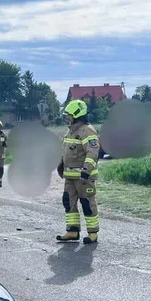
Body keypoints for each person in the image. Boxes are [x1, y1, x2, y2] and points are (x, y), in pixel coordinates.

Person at [56, 99, 101, 244]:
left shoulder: (87, 131)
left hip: (83, 178)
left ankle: (92, 234)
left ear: (77, 114)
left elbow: (93, 152)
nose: (67, 117)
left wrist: (86, 171)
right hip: (70, 177)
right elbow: (66, 151)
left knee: (87, 203)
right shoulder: (70, 131)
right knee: (68, 203)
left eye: (69, 115)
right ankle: (72, 231)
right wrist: (60, 165)